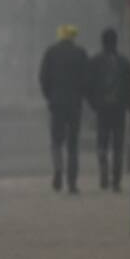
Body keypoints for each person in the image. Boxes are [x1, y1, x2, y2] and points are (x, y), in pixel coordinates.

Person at [39, 24, 88, 193]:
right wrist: (81, 96)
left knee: (56, 141)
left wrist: (50, 96)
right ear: (73, 37)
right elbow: (86, 79)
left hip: (56, 103)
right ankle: (72, 182)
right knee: (73, 144)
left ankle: (58, 169)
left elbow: (43, 78)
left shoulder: (51, 52)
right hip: (75, 104)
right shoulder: (80, 53)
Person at [86, 28, 130, 191]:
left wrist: (94, 104)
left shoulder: (94, 62)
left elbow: (88, 86)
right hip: (119, 110)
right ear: (116, 42)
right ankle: (116, 180)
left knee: (102, 143)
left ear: (102, 42)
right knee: (118, 145)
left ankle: (104, 175)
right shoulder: (125, 63)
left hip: (102, 110)